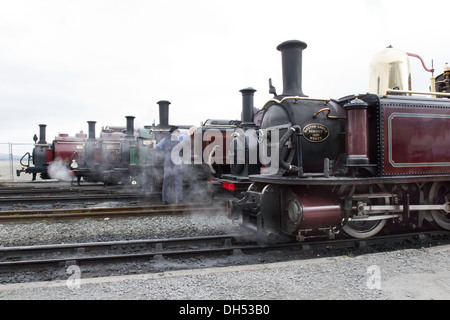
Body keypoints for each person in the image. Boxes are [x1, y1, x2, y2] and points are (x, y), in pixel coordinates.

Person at [155, 128, 183, 204]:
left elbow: (157, 147)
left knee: (166, 180)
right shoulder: (180, 138)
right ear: (176, 132)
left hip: (168, 160)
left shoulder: (164, 140)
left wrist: (154, 143)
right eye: (178, 132)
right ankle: (179, 199)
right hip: (176, 160)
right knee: (178, 179)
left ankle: (165, 200)